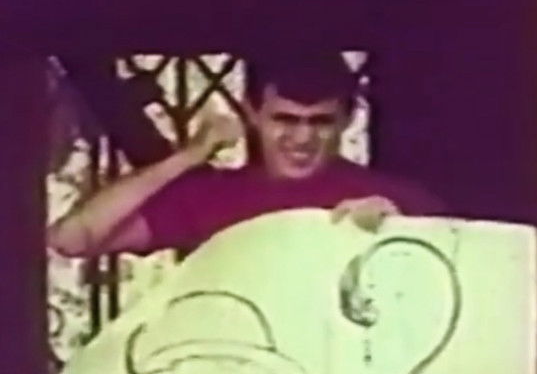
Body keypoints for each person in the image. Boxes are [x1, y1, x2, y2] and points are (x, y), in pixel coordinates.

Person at [47, 52, 445, 258]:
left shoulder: (397, 200)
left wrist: (398, 233)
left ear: (347, 119)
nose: (302, 137)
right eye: (285, 119)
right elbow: (73, 239)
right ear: (252, 113)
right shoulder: (212, 196)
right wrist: (187, 157)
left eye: (320, 122)